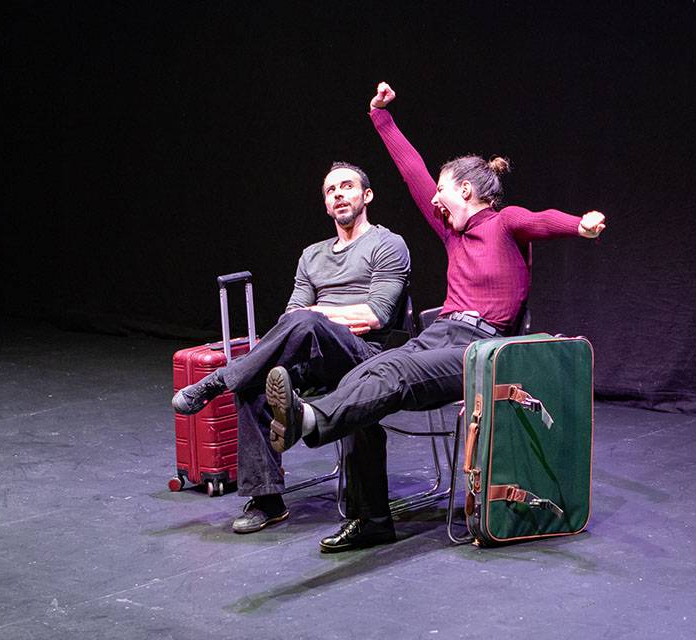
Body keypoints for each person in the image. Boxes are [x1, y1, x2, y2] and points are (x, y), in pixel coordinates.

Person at [263, 82, 606, 553]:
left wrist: (579, 226)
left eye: (442, 191)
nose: (435, 199)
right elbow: (413, 172)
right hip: (440, 333)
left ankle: (310, 421)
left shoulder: (504, 223)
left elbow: (540, 220)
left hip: (481, 348)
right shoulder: (451, 233)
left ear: (465, 190)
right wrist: (381, 116)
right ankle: (371, 519)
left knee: (396, 372)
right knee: (363, 373)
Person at [171, 162, 410, 535]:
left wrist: (318, 315)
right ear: (326, 204)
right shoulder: (311, 255)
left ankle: (217, 382)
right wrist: (317, 318)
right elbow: (290, 317)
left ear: (367, 195)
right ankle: (267, 500)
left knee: (307, 322)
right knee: (255, 385)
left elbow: (375, 314)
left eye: (347, 186)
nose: (338, 194)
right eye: (330, 191)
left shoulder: (388, 244)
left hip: (367, 357)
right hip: (316, 355)